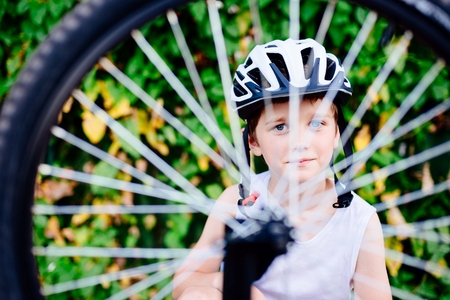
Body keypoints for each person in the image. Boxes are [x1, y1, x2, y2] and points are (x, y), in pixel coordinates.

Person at [172, 38, 391, 300]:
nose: (300, 142)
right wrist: (242, 287)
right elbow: (184, 284)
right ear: (253, 141)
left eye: (317, 123)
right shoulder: (238, 203)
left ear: (337, 134)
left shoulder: (358, 221)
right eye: (280, 127)